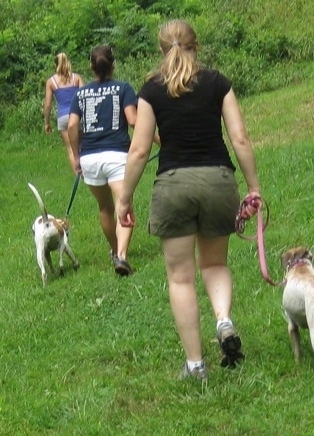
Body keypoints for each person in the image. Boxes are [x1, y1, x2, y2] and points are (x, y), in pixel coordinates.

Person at [118, 19, 261, 380]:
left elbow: (138, 151)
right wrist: (253, 187)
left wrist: (125, 199)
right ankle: (224, 319)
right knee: (214, 265)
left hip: (173, 185)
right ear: (196, 46)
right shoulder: (218, 83)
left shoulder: (151, 90)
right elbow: (240, 138)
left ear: (161, 50)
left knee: (181, 279)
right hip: (218, 181)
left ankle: (196, 365)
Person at [68, 45, 137, 276]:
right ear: (113, 64)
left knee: (105, 207)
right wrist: (158, 139)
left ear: (91, 67)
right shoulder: (124, 88)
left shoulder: (80, 93)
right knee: (123, 204)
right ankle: (123, 257)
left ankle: (115, 250)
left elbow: (71, 126)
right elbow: (134, 120)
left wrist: (76, 156)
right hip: (116, 155)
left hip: (89, 158)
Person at [44, 53, 84, 172]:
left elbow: (48, 104)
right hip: (78, 116)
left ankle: (78, 176)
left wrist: (47, 122)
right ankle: (88, 174)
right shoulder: (76, 78)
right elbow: (85, 96)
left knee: (71, 149)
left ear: (55, 64)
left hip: (63, 117)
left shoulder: (51, 82)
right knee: (81, 146)